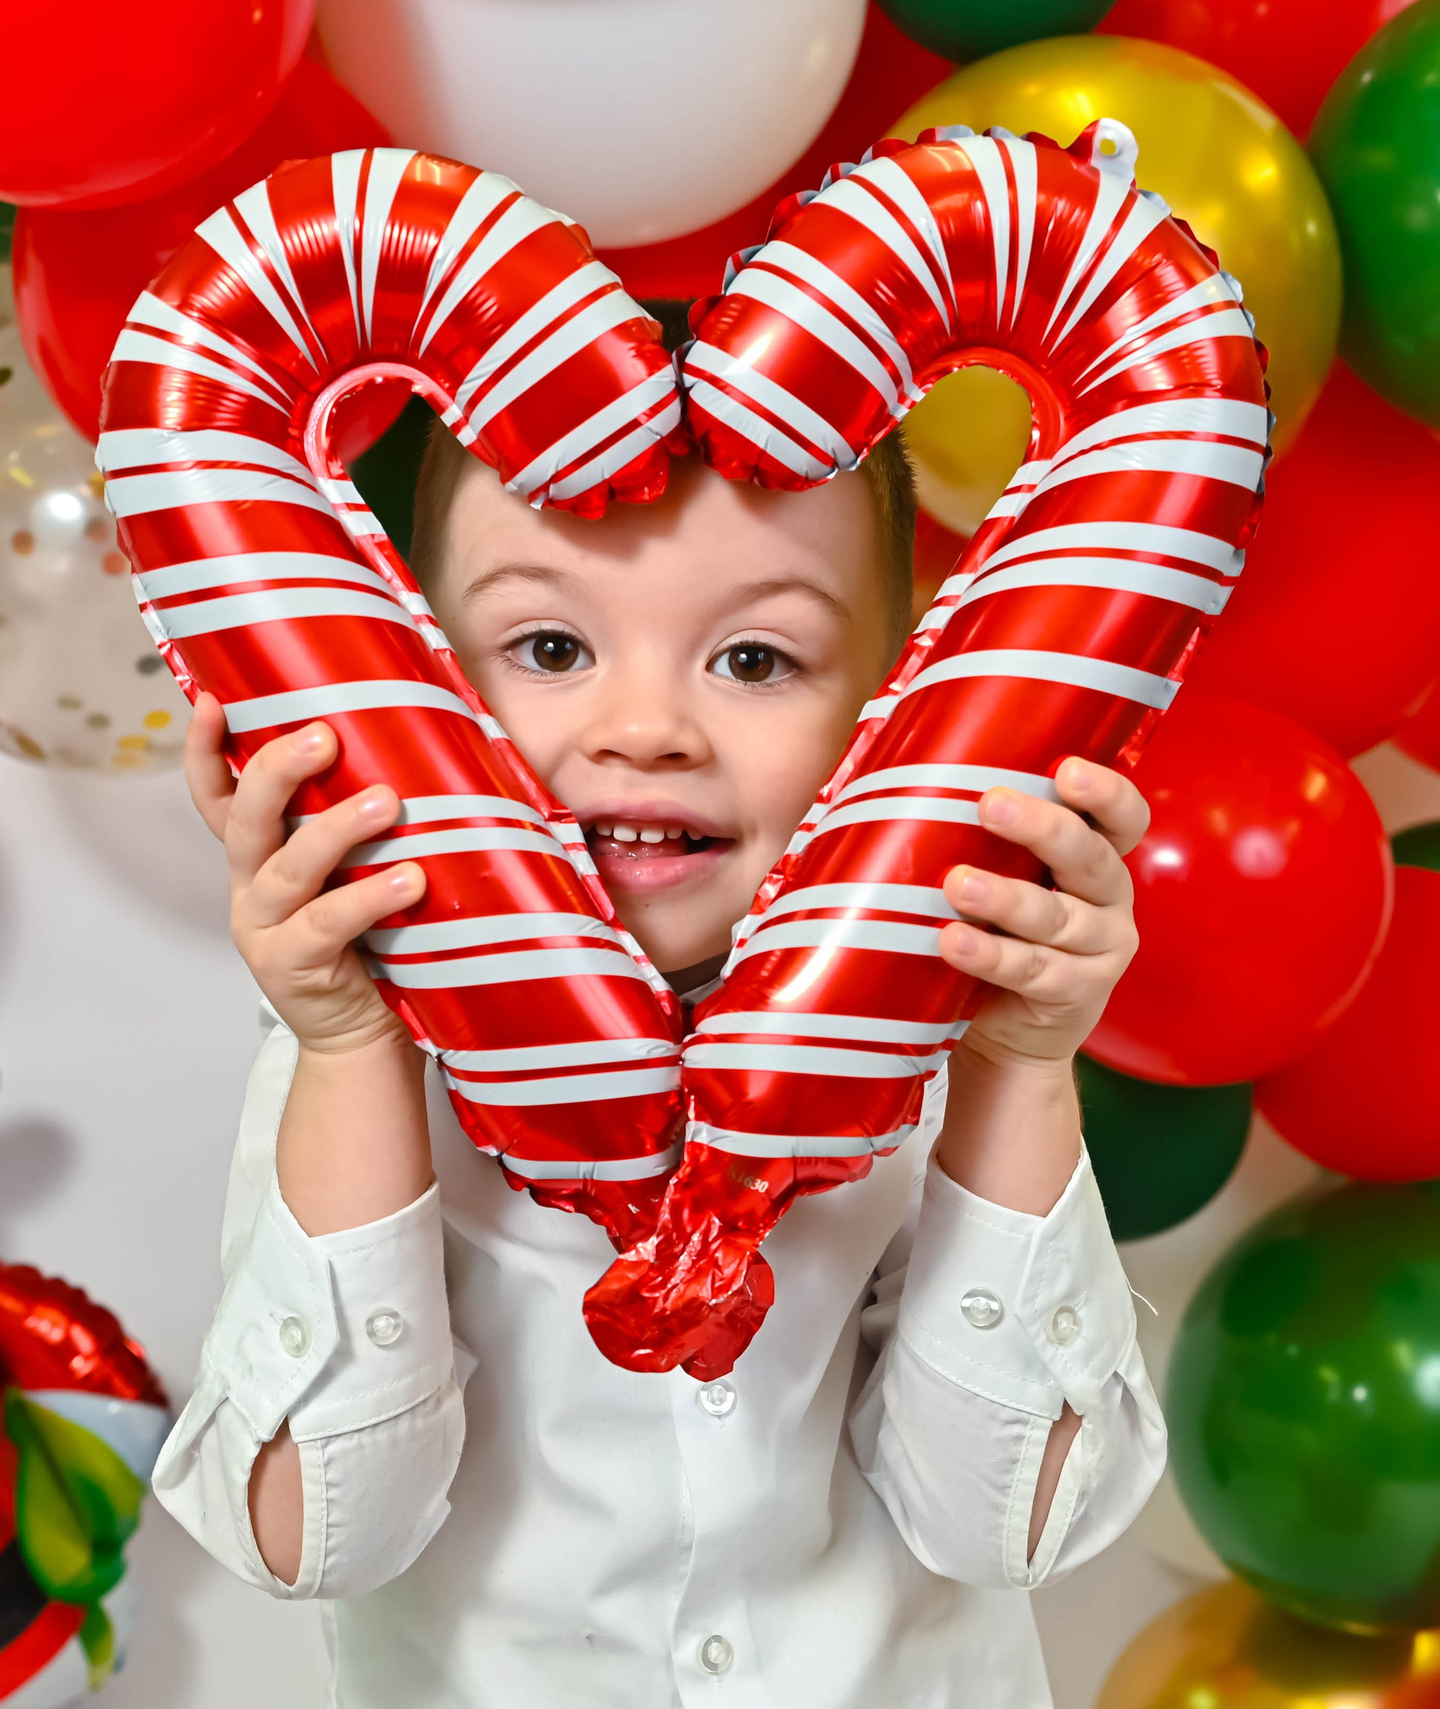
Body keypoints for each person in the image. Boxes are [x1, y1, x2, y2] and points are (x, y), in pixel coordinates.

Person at [153, 373, 1167, 1705]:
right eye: (551, 649)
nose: (644, 733)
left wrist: (1020, 1070)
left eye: (754, 659)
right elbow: (312, 1541)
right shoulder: (361, 1048)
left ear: (896, 712)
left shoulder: (937, 1039)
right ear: (422, 682)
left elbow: (1001, 1528)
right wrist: (349, 1054)